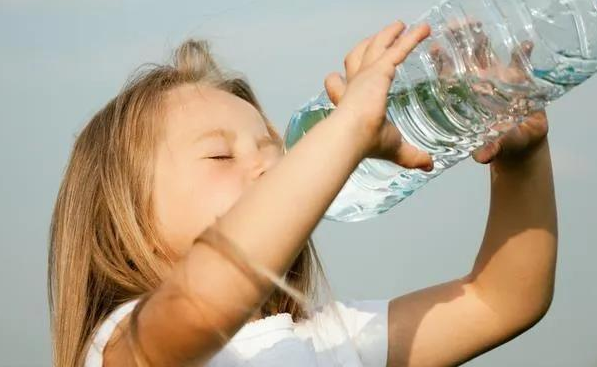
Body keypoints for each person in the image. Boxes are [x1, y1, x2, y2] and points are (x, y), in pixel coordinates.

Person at [48, 20, 557, 366]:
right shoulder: (125, 344)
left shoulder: (331, 341)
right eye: (221, 156)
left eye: (275, 151)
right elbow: (204, 299)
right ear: (126, 217)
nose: (270, 167)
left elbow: (501, 300)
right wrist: (350, 127)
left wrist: (521, 161)